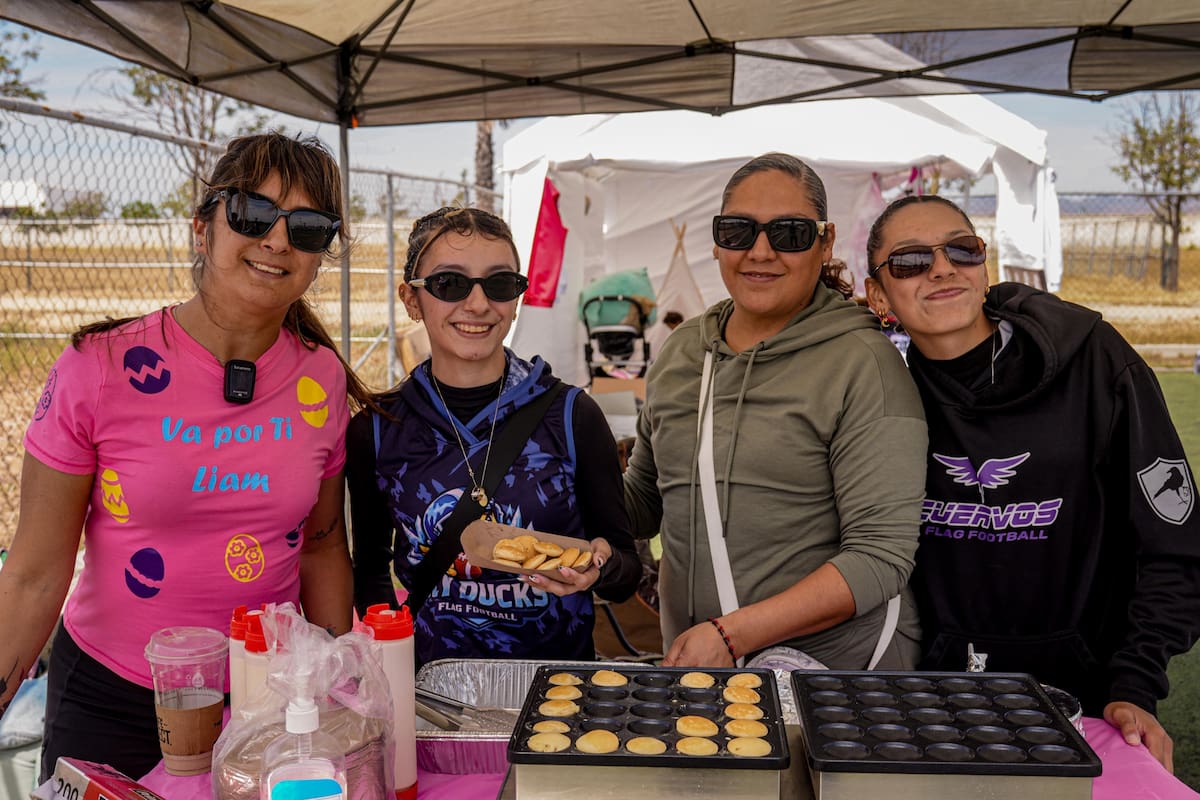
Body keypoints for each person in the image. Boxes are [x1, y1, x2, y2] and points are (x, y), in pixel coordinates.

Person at [0, 132, 369, 781]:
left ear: (320, 255)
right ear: (203, 228)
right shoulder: (102, 366)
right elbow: (33, 573)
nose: (279, 240)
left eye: (309, 227)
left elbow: (321, 543)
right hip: (110, 698)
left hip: (270, 701)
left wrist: (341, 685)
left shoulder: (322, 380)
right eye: (254, 213)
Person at [864, 193, 1200, 772]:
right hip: (928, 703)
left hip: (1087, 701)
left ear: (984, 264)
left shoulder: (1095, 360)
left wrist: (1136, 682)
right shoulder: (876, 390)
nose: (942, 268)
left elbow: (1175, 544)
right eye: (911, 260)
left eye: (961, 250)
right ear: (878, 294)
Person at [623, 153, 927, 669]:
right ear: (718, 241)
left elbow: (880, 558)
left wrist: (729, 634)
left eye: (789, 233)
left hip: (838, 676)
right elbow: (644, 505)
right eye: (739, 231)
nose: (760, 252)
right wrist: (553, 477)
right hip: (703, 669)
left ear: (825, 242)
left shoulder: (863, 364)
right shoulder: (681, 353)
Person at [347, 207, 641, 667]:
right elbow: (369, 570)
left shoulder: (571, 416)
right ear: (411, 299)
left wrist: (598, 568)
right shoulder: (379, 428)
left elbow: (625, 569)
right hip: (430, 695)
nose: (479, 304)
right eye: (450, 284)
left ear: (517, 297)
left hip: (553, 696)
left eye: (500, 284)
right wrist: (391, 659)